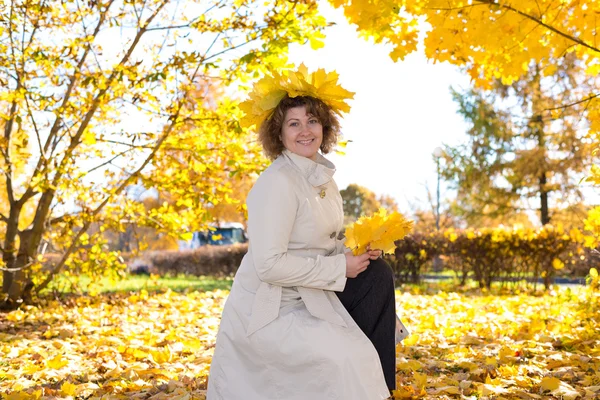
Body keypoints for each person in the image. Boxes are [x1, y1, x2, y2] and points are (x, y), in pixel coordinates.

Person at [207, 66, 397, 400]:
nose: (304, 130)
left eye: (312, 121)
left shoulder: (322, 177)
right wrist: (341, 268)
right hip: (273, 307)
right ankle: (357, 377)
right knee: (344, 357)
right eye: (293, 124)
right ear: (278, 134)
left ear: (325, 126)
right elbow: (268, 265)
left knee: (377, 275)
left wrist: (355, 254)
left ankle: (381, 390)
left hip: (312, 289)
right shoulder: (276, 183)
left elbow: (320, 243)